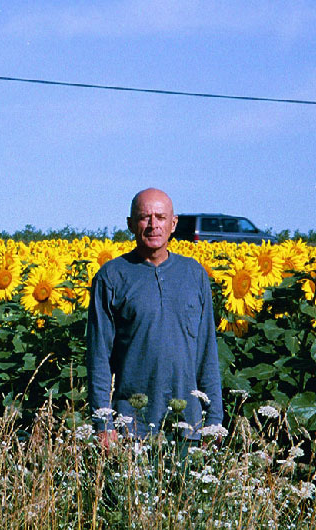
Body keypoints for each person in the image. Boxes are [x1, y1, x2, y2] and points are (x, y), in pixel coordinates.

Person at [85, 188, 223, 448]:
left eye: (160, 217)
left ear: (173, 224)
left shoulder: (194, 274)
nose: (152, 225)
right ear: (130, 224)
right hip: (131, 426)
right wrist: (103, 424)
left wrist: (213, 419)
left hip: (189, 426)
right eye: (144, 217)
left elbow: (207, 352)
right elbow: (98, 357)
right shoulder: (112, 276)